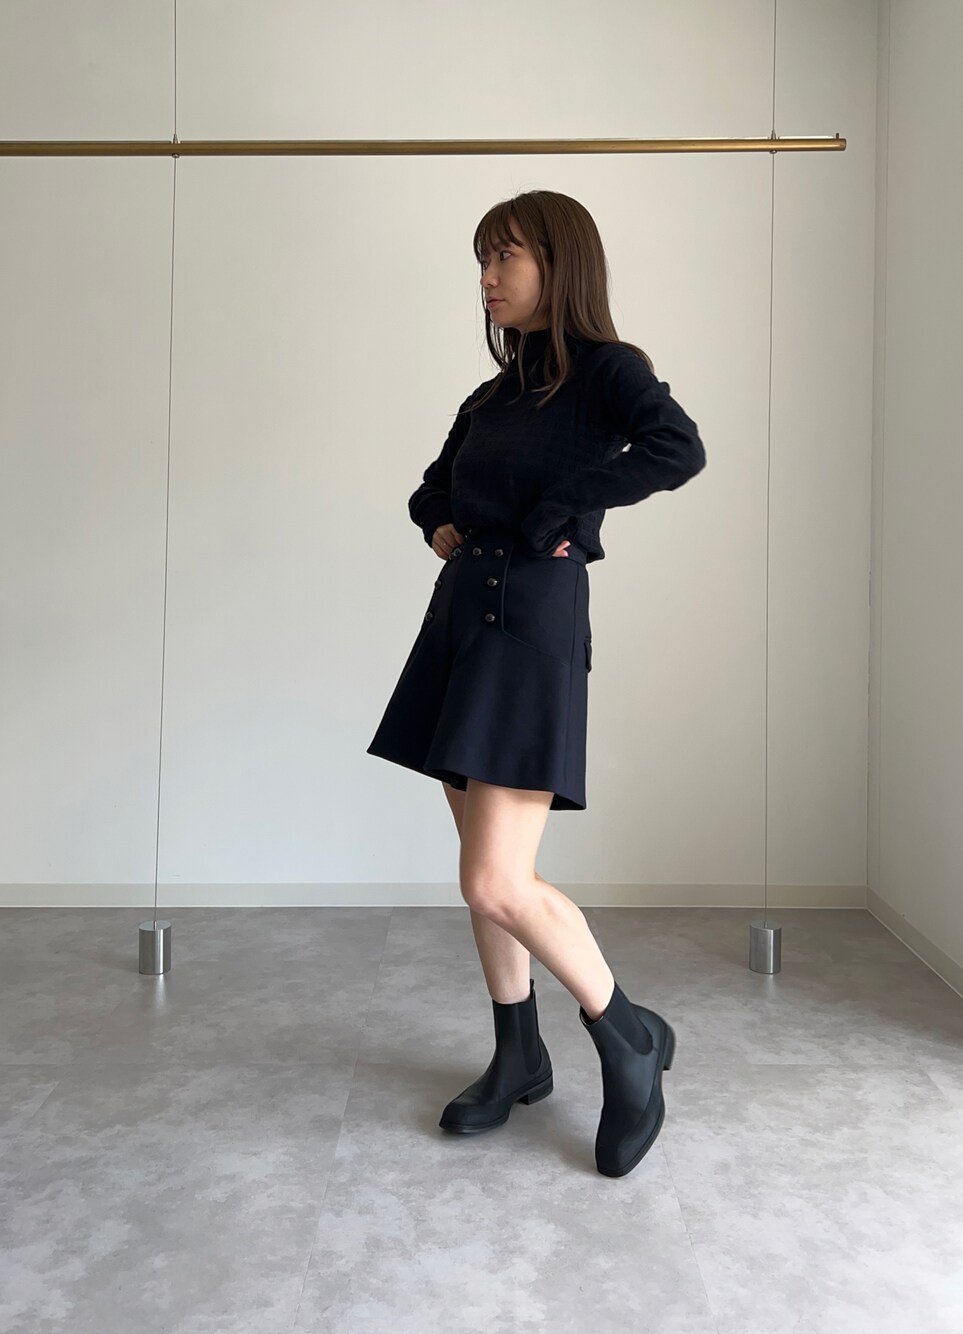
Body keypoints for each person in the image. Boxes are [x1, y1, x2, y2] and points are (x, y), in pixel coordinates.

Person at [366, 189, 706, 1177]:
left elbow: (676, 446)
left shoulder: (607, 371)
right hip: (461, 623)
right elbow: (433, 485)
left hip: (530, 627)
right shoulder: (493, 395)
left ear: (559, 264)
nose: (486, 277)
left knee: (493, 878)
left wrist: (568, 503)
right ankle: (517, 1051)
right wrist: (438, 522)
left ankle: (626, 1034)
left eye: (503, 256)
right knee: (484, 866)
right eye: (482, 259)